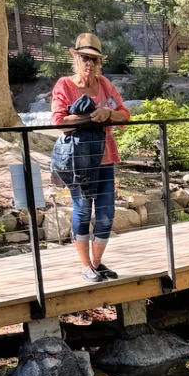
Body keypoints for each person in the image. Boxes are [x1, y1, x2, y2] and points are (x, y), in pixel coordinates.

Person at [50, 33, 130, 283]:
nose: (90, 64)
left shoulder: (104, 84)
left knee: (106, 214)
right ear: (76, 59)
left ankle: (96, 264)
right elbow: (59, 121)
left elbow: (124, 115)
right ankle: (86, 265)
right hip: (79, 161)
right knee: (83, 211)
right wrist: (89, 117)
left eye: (95, 60)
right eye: (85, 58)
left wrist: (108, 113)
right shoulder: (65, 85)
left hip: (104, 157)